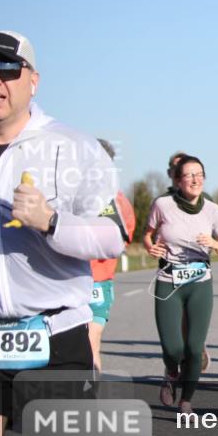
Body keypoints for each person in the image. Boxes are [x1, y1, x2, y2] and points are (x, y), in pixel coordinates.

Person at [0, 31, 126, 436]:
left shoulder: (74, 146)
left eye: (6, 69)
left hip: (53, 332)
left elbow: (113, 234)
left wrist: (50, 222)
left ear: (33, 80)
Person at [144, 155, 218, 414]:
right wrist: (152, 248)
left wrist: (214, 244)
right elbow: (147, 235)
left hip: (200, 282)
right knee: (173, 348)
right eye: (189, 175)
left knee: (195, 348)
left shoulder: (212, 210)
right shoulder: (162, 205)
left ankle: (187, 400)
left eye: (200, 174)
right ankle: (171, 372)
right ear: (177, 180)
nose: (195, 180)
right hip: (168, 281)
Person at [89, 138, 137, 372]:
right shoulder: (65, 194)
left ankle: (87, 399)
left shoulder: (116, 199)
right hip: (64, 281)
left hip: (97, 280)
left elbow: (124, 236)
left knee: (90, 341)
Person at [164, 152, 211, 371]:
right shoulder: (162, 203)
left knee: (190, 315)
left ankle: (195, 347)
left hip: (197, 270)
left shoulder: (206, 200)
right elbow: (150, 233)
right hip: (169, 270)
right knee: (176, 321)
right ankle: (175, 360)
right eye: (175, 170)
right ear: (172, 175)